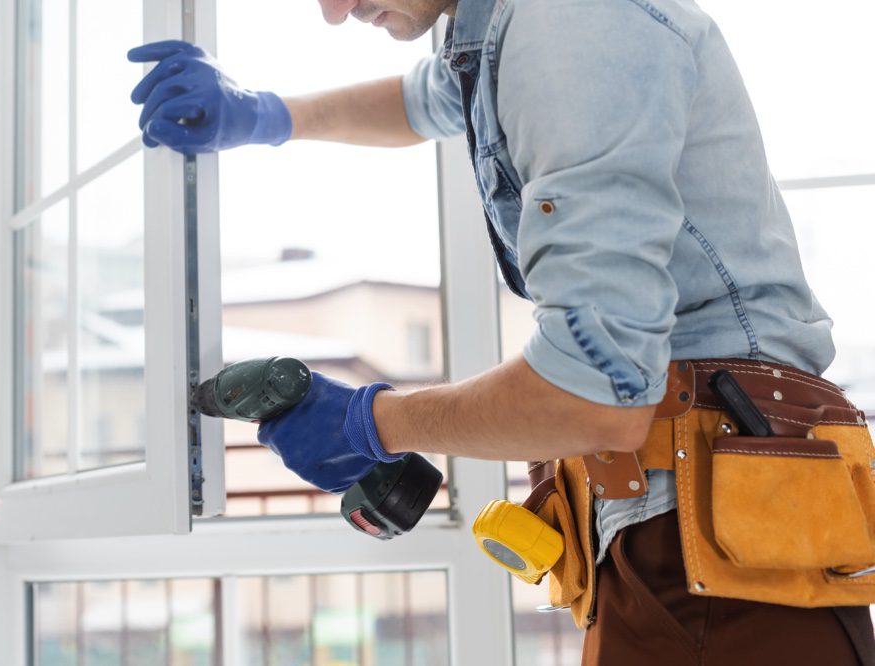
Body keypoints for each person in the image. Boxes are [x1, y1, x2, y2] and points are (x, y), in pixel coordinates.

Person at [128, 1, 875, 663]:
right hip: (682, 540)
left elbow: (597, 402)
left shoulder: (572, 27)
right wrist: (263, 115)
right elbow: (424, 101)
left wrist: (372, 421)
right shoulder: (502, 33)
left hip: (711, 542)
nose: (333, 10)